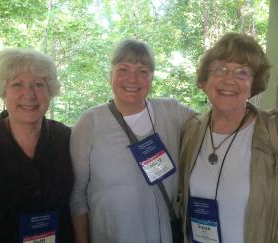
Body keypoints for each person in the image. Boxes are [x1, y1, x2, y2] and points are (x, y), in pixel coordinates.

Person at [69, 39, 195, 243]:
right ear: (111, 75)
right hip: (109, 236)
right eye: (123, 69)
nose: (132, 79)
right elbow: (77, 195)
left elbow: (217, 122)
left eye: (142, 71)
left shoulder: (172, 112)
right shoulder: (90, 122)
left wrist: (264, 118)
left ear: (152, 77)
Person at [179, 32, 278, 243]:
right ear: (204, 81)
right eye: (220, 69)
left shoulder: (277, 132)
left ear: (253, 84)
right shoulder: (191, 130)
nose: (229, 80)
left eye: (242, 72)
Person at [0, 48, 74, 243]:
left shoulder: (68, 140)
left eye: (38, 84)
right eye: (17, 84)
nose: (29, 94)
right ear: (3, 92)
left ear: (50, 91)